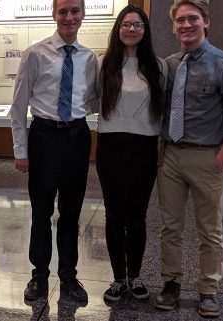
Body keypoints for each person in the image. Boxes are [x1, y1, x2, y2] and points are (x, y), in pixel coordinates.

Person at [154, 0, 223, 317]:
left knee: (210, 230)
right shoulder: (169, 64)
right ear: (173, 26)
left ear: (206, 21)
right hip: (170, 156)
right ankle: (170, 284)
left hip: (206, 156)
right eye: (180, 20)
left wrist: (220, 158)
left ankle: (208, 290)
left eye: (192, 19)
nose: (186, 25)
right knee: (170, 228)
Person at [10, 0, 97, 304]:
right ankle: (39, 274)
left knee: (72, 211)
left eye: (75, 11)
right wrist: (21, 150)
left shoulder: (89, 58)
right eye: (63, 11)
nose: (69, 17)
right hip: (45, 136)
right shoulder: (35, 53)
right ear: (54, 14)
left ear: (83, 15)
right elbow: (19, 106)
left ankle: (69, 275)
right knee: (42, 209)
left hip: (77, 136)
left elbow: (95, 99)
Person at [94, 4, 167, 303]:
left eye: (137, 24)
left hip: (144, 147)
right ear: (118, 28)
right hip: (110, 145)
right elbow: (90, 98)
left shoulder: (158, 66)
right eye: (126, 24)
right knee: (114, 214)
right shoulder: (103, 63)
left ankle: (135, 277)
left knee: (137, 216)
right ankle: (118, 279)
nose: (131, 29)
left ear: (145, 30)